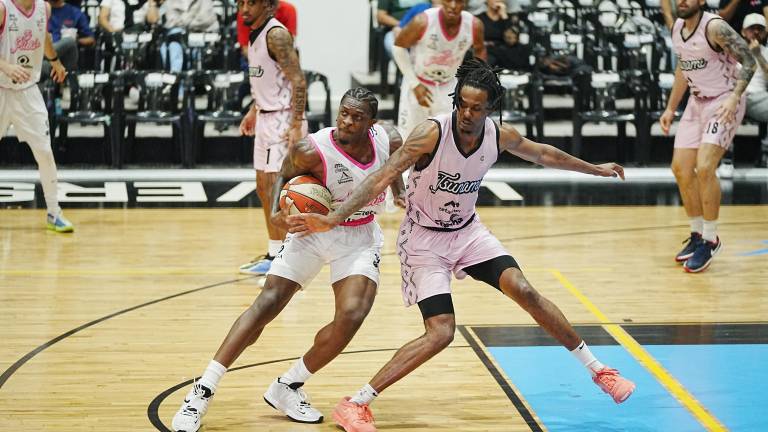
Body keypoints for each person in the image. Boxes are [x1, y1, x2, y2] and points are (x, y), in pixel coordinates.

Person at [290, 59, 636, 432]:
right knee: (441, 332)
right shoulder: (430, 133)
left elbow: (545, 154)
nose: (468, 114)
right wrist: (334, 216)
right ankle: (356, 403)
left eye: (477, 108)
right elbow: (383, 175)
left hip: (468, 233)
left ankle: (599, 371)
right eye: (463, 104)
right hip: (424, 241)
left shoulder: (497, 134)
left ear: (490, 109)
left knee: (524, 290)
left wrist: (595, 168)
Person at [170, 88, 406, 432]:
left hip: (359, 235)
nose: (346, 121)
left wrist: (398, 191)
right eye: (343, 113)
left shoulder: (389, 139)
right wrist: (280, 216)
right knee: (267, 303)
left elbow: (394, 164)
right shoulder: (312, 149)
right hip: (312, 230)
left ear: (371, 123)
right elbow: (279, 178)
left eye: (356, 117)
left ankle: (288, 385)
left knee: (352, 315)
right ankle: (202, 390)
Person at [660, 0, 757, 273]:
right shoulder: (677, 27)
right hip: (696, 101)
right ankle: (697, 234)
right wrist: (670, 108)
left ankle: (711, 239)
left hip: (725, 100)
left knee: (704, 167)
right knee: (680, 168)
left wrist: (735, 97)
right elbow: (683, 68)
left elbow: (749, 60)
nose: (682, 1)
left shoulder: (714, 27)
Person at [237, 0, 307, 276]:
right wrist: (254, 109)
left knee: (279, 192)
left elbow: (298, 80)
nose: (244, 8)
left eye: (251, 3)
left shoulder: (275, 35)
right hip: (266, 115)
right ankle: (273, 252)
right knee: (263, 188)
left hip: (282, 119)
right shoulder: (255, 34)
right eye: (241, 2)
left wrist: (296, 123)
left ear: (268, 5)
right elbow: (267, 81)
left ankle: (289, 261)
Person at [0, 0, 73, 232]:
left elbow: (43, 36)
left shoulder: (44, 8)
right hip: (1, 88)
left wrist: (55, 61)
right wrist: (6, 67)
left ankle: (54, 212)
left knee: (44, 152)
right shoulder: (3, 8)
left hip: (28, 91)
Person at [393, 0, 486, 139]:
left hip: (448, 85)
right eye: (448, 0)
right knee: (409, 140)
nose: (453, 6)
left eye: (459, 1)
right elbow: (398, 47)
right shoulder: (422, 20)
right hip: (418, 82)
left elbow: (480, 50)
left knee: (446, 140)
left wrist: (473, 81)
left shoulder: (474, 25)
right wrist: (414, 84)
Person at [46, 0, 95, 73]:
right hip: (41, 50)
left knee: (69, 41)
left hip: (63, 56)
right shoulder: (39, 11)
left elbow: (91, 39)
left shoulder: (75, 13)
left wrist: (77, 40)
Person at [742, 13, 768, 122]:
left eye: (760, 29)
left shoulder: (766, 51)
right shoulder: (733, 50)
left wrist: (758, 55)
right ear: (743, 32)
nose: (756, 32)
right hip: (735, 96)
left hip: (759, 96)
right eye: (752, 28)